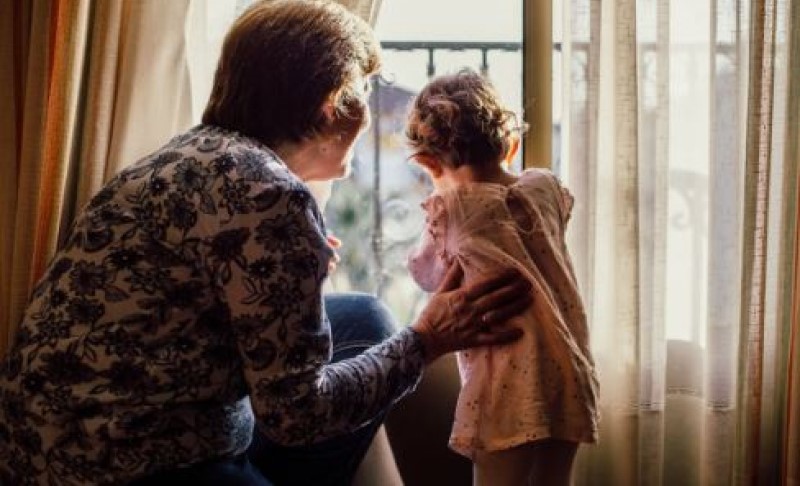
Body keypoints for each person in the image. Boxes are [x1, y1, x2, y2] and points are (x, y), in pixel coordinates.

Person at [0, 3, 533, 485]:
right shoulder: (271, 197)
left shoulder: (193, 151)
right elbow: (297, 416)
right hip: (132, 466)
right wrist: (428, 340)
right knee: (379, 352)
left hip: (43, 440)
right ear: (332, 105)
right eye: (364, 93)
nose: (367, 110)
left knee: (366, 318)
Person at [406, 69, 599, 486]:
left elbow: (426, 273)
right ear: (510, 145)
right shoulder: (543, 185)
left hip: (506, 385)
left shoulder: (452, 210)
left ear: (426, 162)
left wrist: (440, 201)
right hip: (568, 370)